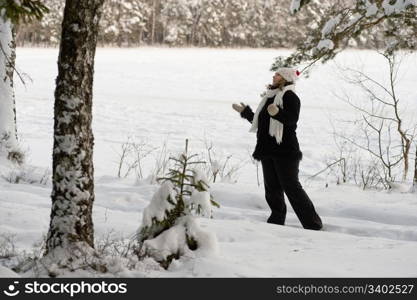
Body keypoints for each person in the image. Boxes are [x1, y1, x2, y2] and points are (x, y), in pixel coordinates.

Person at [232, 68, 323, 230]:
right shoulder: (270, 96)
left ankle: (312, 223)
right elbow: (261, 122)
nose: (274, 76)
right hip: (267, 149)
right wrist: (246, 113)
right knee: (272, 189)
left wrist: (278, 113)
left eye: (278, 74)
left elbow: (291, 120)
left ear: (285, 78)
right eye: (275, 74)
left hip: (285, 150)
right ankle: (276, 221)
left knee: (292, 188)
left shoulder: (290, 97)